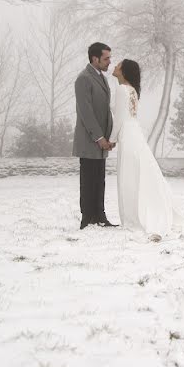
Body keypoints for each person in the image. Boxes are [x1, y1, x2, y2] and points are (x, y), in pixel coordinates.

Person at [110, 58, 175, 242]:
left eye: (118, 65)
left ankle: (133, 217)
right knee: (138, 173)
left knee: (129, 175)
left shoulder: (122, 89)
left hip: (127, 135)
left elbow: (120, 117)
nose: (114, 66)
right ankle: (146, 209)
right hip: (134, 133)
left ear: (123, 71)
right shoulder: (132, 90)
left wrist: (111, 139)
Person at [72, 42, 118, 229]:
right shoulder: (83, 79)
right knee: (88, 180)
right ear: (95, 59)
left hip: (102, 141)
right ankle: (87, 218)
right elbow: (86, 112)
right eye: (106, 58)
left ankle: (100, 216)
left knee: (100, 180)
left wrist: (110, 137)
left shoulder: (102, 78)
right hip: (90, 140)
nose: (109, 62)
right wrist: (99, 138)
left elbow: (105, 111)